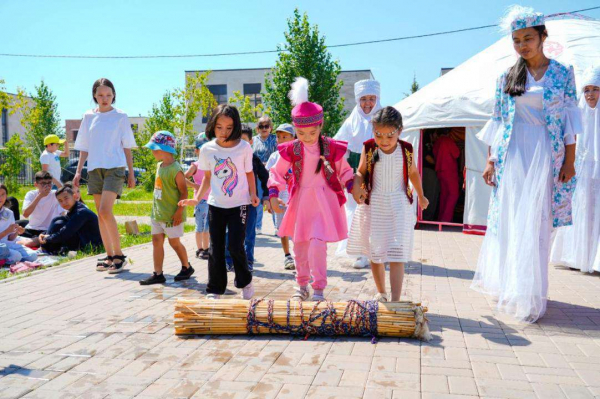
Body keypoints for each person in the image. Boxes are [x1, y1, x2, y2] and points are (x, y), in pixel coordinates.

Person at [471, 6, 581, 323]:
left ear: (543, 36)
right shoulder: (507, 77)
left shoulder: (563, 73)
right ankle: (511, 286)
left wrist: (570, 160)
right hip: (513, 154)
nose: (523, 45)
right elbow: (499, 120)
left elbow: (571, 119)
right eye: (517, 40)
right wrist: (491, 160)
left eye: (528, 38)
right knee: (510, 220)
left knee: (537, 224)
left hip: (547, 154)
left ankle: (532, 293)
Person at [269, 77, 354, 301]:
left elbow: (344, 170)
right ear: (295, 129)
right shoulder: (292, 149)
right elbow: (276, 172)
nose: (307, 138)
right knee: (300, 246)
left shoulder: (330, 147)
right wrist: (274, 193)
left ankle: (318, 288)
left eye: (312, 133)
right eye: (301, 133)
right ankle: (302, 285)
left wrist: (353, 184)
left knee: (317, 245)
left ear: (320, 126)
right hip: (300, 201)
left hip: (323, 201)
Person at [348, 107, 428, 302]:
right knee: (376, 253)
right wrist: (356, 186)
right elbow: (361, 172)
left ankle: (396, 299)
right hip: (374, 206)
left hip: (399, 205)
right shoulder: (370, 149)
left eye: (389, 136)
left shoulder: (406, 150)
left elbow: (414, 174)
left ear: (400, 130)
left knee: (397, 252)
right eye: (378, 135)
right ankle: (382, 292)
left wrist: (422, 195)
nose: (383, 141)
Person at [179, 104, 258, 300]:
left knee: (235, 246)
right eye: (219, 127)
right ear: (212, 126)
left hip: (239, 205)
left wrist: (253, 195)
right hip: (216, 205)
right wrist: (197, 199)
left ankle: (245, 282)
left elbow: (249, 173)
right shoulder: (207, 149)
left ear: (236, 126)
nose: (224, 132)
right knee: (215, 247)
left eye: (229, 127)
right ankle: (215, 288)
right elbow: (207, 177)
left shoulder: (244, 147)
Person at [73, 78, 137, 273]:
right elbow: (84, 147)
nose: (104, 98)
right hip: (94, 169)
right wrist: (78, 171)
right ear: (94, 95)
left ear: (113, 95)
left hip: (115, 168)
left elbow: (127, 147)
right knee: (100, 213)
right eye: (100, 95)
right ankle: (109, 256)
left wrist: (131, 173)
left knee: (106, 211)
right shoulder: (88, 117)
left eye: (108, 95)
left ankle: (119, 255)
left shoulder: (121, 116)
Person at [550, 66, 600, 272]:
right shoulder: (578, 115)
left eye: (595, 89)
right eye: (586, 90)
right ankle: (574, 256)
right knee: (580, 209)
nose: (590, 94)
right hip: (580, 171)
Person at [334, 79, 383, 269]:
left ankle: (379, 251)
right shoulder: (351, 121)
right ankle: (360, 253)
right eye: (363, 99)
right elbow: (339, 147)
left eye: (372, 98)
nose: (368, 103)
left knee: (379, 212)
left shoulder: (384, 118)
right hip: (358, 173)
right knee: (358, 212)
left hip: (380, 170)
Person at [139, 131, 194, 285]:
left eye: (154, 149)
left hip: (172, 214)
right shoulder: (159, 166)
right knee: (157, 241)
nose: (152, 152)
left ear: (163, 149)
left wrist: (179, 211)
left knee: (174, 242)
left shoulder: (175, 169)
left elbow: (184, 192)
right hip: (158, 213)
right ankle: (158, 273)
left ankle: (186, 267)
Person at [224, 124, 269, 272]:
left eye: (243, 140)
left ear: (250, 142)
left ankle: (248, 260)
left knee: (249, 233)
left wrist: (266, 196)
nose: (240, 144)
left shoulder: (254, 159)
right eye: (237, 140)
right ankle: (228, 260)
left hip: (250, 203)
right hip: (232, 203)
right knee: (230, 232)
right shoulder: (230, 159)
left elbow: (265, 177)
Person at [35, 186, 102, 255]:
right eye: (60, 201)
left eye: (66, 198)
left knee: (59, 223)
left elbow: (65, 233)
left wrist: (47, 238)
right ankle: (45, 248)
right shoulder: (73, 209)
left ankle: (45, 249)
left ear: (74, 196)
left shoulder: (81, 212)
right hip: (82, 239)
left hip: (92, 245)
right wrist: (44, 234)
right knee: (57, 219)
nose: (64, 202)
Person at [266, 123, 296, 270]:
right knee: (282, 227)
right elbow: (270, 178)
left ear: (293, 137)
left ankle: (299, 254)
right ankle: (287, 256)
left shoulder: (298, 154)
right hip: (279, 195)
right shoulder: (274, 156)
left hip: (295, 195)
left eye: (285, 136)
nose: (281, 139)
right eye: (279, 137)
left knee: (297, 227)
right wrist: (269, 200)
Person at [185, 133, 210, 260]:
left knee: (208, 227)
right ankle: (201, 248)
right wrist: (195, 186)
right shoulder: (195, 165)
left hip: (212, 200)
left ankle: (206, 247)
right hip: (200, 201)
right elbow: (182, 178)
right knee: (200, 226)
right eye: (202, 149)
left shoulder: (212, 164)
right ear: (196, 151)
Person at [251, 115, 278, 235]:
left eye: (266, 126)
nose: (264, 128)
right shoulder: (253, 140)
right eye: (261, 126)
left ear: (271, 128)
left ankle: (277, 226)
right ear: (257, 128)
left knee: (273, 200)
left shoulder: (275, 139)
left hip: (272, 175)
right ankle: (257, 227)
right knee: (258, 201)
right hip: (257, 176)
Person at [0, 185, 38, 263]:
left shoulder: (9, 213)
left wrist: (17, 231)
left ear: (6, 195)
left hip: (8, 245)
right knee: (16, 256)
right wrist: (6, 231)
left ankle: (9, 260)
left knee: (33, 255)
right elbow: (7, 232)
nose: (0, 197)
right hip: (1, 247)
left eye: (3, 194)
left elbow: (10, 238)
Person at [21, 171, 63, 238]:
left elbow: (64, 190)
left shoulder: (55, 194)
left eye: (49, 183)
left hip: (48, 231)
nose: (47, 186)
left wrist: (53, 178)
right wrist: (40, 196)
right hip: (32, 229)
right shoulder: (31, 194)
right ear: (36, 185)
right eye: (43, 183)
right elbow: (25, 214)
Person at [433, 129, 460, 222]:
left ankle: (441, 218)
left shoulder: (437, 142)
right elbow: (456, 154)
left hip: (440, 171)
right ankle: (446, 219)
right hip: (449, 170)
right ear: (449, 133)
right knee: (453, 194)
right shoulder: (448, 140)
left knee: (444, 195)